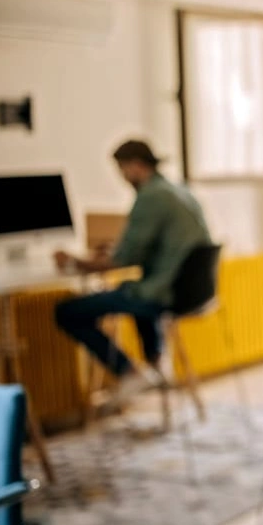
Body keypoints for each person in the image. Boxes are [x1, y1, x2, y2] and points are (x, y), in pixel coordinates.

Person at [53, 138, 212, 404]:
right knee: (134, 291)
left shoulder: (151, 196)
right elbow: (148, 248)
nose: (123, 177)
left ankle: (129, 371)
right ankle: (157, 362)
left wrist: (75, 261)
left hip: (165, 292)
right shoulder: (177, 190)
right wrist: (116, 251)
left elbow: (125, 259)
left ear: (136, 166)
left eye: (123, 170)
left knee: (67, 311)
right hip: (193, 291)